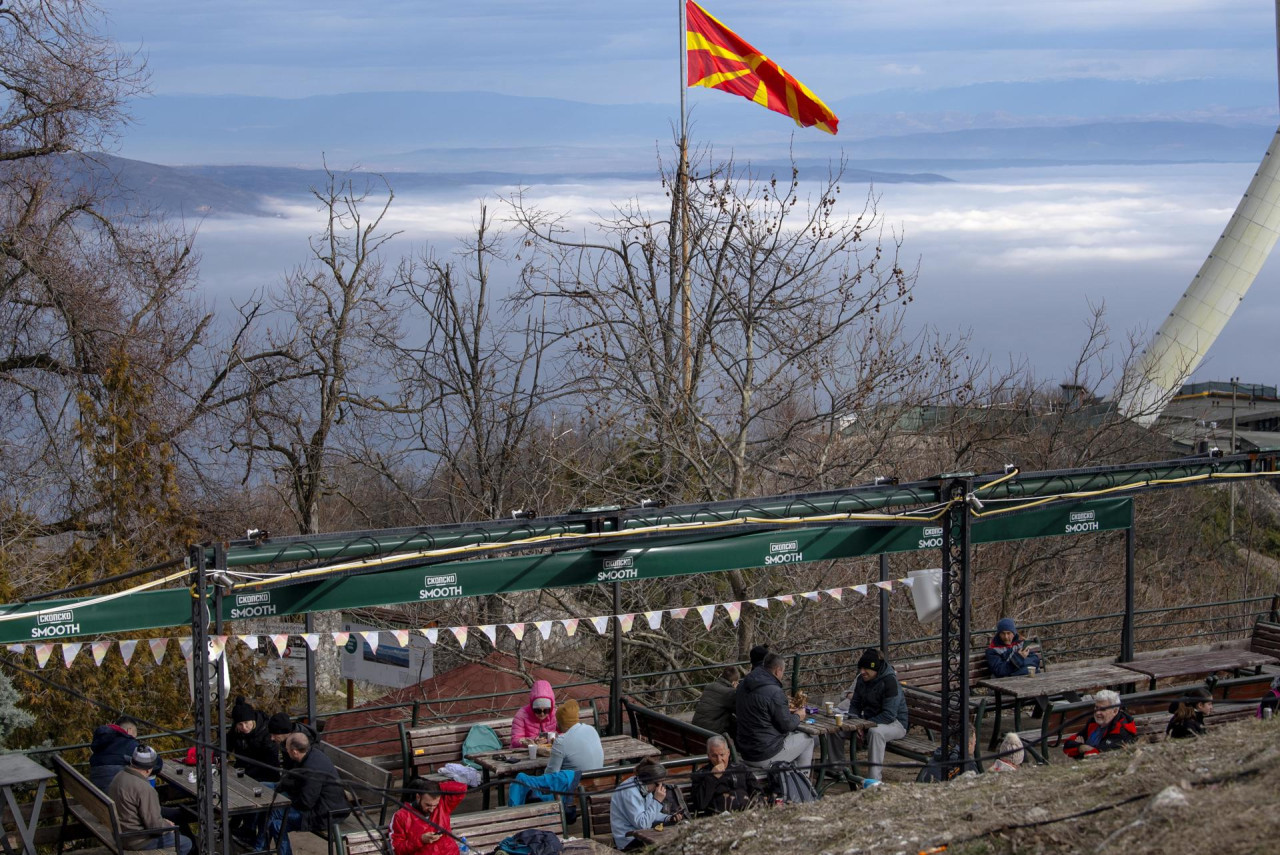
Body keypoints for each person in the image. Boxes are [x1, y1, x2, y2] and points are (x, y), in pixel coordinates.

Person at [258, 733, 350, 855]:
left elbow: (306, 802)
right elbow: (296, 782)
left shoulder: (312, 768)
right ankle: (260, 849)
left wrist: (286, 801)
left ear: (295, 752)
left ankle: (259, 849)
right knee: (276, 824)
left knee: (272, 810)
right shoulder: (309, 755)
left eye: (287, 749)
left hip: (323, 814)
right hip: (318, 807)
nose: (286, 751)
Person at [734, 652, 815, 773]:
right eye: (783, 672)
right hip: (764, 754)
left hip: (744, 750)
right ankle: (802, 784)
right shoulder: (775, 692)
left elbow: (760, 711)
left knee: (794, 738)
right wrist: (799, 715)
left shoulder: (743, 684)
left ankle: (789, 777)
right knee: (808, 739)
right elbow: (786, 726)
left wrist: (783, 709)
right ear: (778, 671)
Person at [109, 746, 193, 855]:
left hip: (121, 832)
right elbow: (155, 826)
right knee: (186, 843)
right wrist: (168, 826)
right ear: (149, 770)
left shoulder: (119, 776)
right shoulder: (144, 788)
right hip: (135, 840)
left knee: (175, 815)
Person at [844, 648, 908, 784]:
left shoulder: (890, 682)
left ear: (876, 669)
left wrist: (864, 726)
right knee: (839, 728)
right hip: (869, 720)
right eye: (861, 668)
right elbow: (855, 704)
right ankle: (837, 769)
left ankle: (874, 781)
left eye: (866, 669)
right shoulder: (862, 679)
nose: (862, 672)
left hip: (895, 723)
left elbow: (889, 715)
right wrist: (854, 723)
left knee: (875, 732)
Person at [609, 758, 681, 851]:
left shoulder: (643, 787)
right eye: (658, 784)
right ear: (650, 780)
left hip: (640, 835)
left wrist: (668, 818)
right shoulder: (629, 792)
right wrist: (657, 801)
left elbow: (650, 814)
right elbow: (643, 824)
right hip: (628, 840)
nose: (660, 787)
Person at [389, 775, 467, 855]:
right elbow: (396, 850)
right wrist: (421, 840)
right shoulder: (401, 816)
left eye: (435, 805)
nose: (432, 809)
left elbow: (462, 788)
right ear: (418, 797)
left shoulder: (443, 804)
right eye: (428, 805)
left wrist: (436, 787)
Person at [1063, 689, 1136, 758]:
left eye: (1103, 709)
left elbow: (1097, 756)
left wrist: (1080, 749)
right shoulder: (1094, 722)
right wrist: (1081, 747)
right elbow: (1067, 746)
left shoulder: (1121, 730)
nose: (1097, 713)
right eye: (1096, 708)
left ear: (1115, 711)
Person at [89, 715, 155, 791]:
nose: (135, 739)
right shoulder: (128, 743)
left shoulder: (101, 743)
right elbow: (156, 763)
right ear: (129, 730)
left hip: (98, 794)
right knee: (148, 771)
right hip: (117, 794)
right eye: (135, 735)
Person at [691, 735, 753, 815]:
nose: (719, 760)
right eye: (714, 756)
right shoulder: (701, 775)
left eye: (722, 755)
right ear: (708, 756)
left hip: (747, 813)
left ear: (728, 753)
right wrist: (712, 777)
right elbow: (700, 804)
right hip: (720, 817)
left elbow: (756, 791)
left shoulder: (740, 768)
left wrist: (756, 806)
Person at [228, 697, 280, 783]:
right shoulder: (236, 730)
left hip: (264, 776)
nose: (244, 727)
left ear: (253, 720)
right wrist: (218, 757)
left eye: (246, 723)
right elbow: (227, 744)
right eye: (240, 724)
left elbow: (271, 762)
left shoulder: (266, 731)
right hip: (242, 772)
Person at [545, 698, 603, 774]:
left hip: (577, 784)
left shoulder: (561, 742)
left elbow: (550, 775)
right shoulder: (591, 729)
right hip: (599, 780)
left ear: (560, 722)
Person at [691, 666, 740, 738]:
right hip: (711, 735)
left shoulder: (709, 686)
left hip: (695, 730)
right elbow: (739, 711)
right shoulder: (730, 692)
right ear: (734, 683)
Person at [510, 680, 558, 749]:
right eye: (538, 710)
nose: (542, 714)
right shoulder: (521, 715)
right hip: (526, 752)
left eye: (546, 710)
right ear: (532, 707)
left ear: (551, 708)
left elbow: (565, 733)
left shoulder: (556, 713)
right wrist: (533, 741)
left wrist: (556, 738)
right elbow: (515, 740)